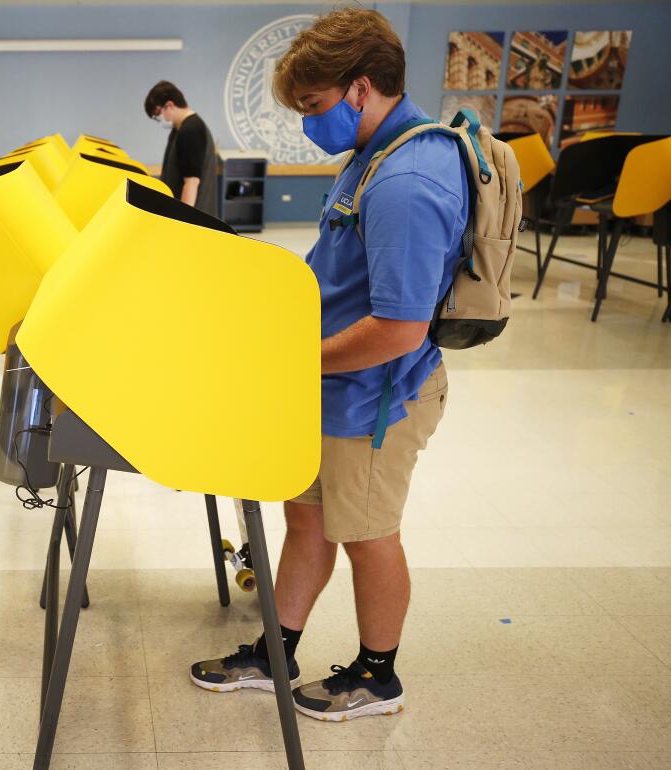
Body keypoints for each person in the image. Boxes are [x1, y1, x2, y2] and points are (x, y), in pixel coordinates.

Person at [189, 7, 466, 722]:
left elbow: (399, 329)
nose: (309, 123)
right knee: (308, 522)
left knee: (368, 535)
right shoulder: (372, 156)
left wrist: (296, 359)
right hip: (335, 384)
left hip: (379, 396)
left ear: (361, 89)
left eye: (314, 106)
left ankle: (378, 675)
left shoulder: (408, 178)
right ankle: (274, 651)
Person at [143, 81, 219, 217]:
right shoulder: (179, 130)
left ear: (169, 105)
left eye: (157, 115)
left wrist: (183, 219)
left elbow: (191, 182)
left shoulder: (191, 130)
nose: (159, 120)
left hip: (195, 217)